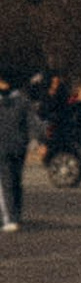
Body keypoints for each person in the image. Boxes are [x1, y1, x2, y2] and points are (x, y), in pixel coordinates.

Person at [0, 72, 29, 230]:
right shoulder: (23, 100)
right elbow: (32, 122)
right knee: (15, 182)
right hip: (19, 147)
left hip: (4, 147)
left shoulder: (8, 101)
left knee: (7, 184)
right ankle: (16, 216)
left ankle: (11, 218)